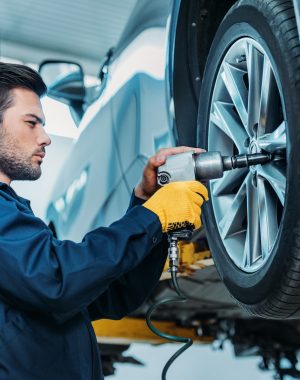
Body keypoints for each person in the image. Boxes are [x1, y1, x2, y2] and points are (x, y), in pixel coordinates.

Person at [0, 62, 208, 380]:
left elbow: (111, 296)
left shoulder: (15, 213)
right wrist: (152, 216)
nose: (46, 138)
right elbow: (57, 280)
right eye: (32, 123)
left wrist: (146, 203)